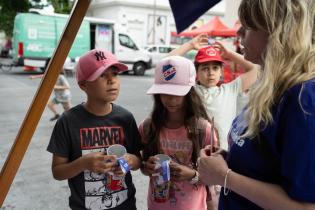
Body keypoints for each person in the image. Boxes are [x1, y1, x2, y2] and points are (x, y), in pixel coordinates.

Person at [198, 0, 315, 210]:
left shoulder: (303, 100)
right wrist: (229, 159)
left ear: (277, 32)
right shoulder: (270, 86)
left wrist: (224, 176)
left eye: (249, 26)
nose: (239, 32)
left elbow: (305, 206)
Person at [47, 49, 142, 210]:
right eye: (102, 75)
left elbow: (138, 161)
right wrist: (82, 163)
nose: (112, 80)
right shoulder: (68, 121)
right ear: (83, 85)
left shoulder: (126, 118)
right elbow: (58, 171)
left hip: (126, 205)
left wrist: (130, 161)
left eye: (115, 74)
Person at [139, 56, 219, 210]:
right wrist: (145, 167)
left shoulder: (204, 130)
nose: (170, 99)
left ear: (190, 92)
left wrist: (192, 175)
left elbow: (216, 176)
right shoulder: (149, 127)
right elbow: (141, 164)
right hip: (156, 205)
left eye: (177, 93)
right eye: (163, 92)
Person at [169, 35, 258, 150]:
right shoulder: (190, 90)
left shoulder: (230, 89)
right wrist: (190, 45)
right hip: (195, 154)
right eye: (205, 68)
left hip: (224, 154)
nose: (211, 73)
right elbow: (166, 64)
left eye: (215, 68)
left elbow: (256, 69)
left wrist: (229, 54)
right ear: (196, 72)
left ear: (221, 71)